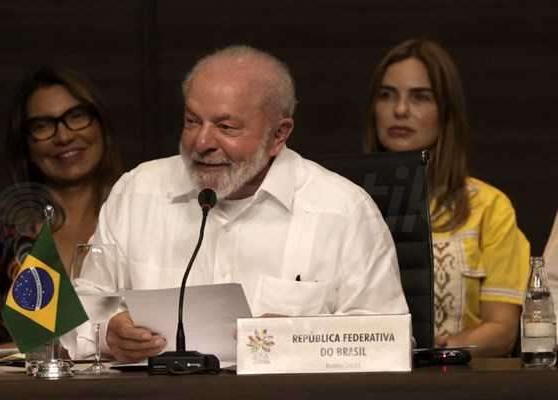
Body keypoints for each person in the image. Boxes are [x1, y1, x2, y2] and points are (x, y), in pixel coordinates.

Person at [70, 45, 409, 363]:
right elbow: (82, 303)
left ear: (279, 135)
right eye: (192, 121)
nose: (202, 142)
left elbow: (390, 339)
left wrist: (299, 338)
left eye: (226, 126)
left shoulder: (343, 211)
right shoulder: (137, 192)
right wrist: (107, 332)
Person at [364, 38, 530, 356]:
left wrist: (441, 351)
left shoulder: (489, 207)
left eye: (420, 97)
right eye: (387, 95)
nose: (400, 110)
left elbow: (502, 330)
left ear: (446, 112)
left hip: (453, 375)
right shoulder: (343, 202)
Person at [0, 67, 124, 355]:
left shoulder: (134, 215)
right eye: (42, 126)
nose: (63, 136)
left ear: (100, 124)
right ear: (25, 143)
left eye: (76, 116)